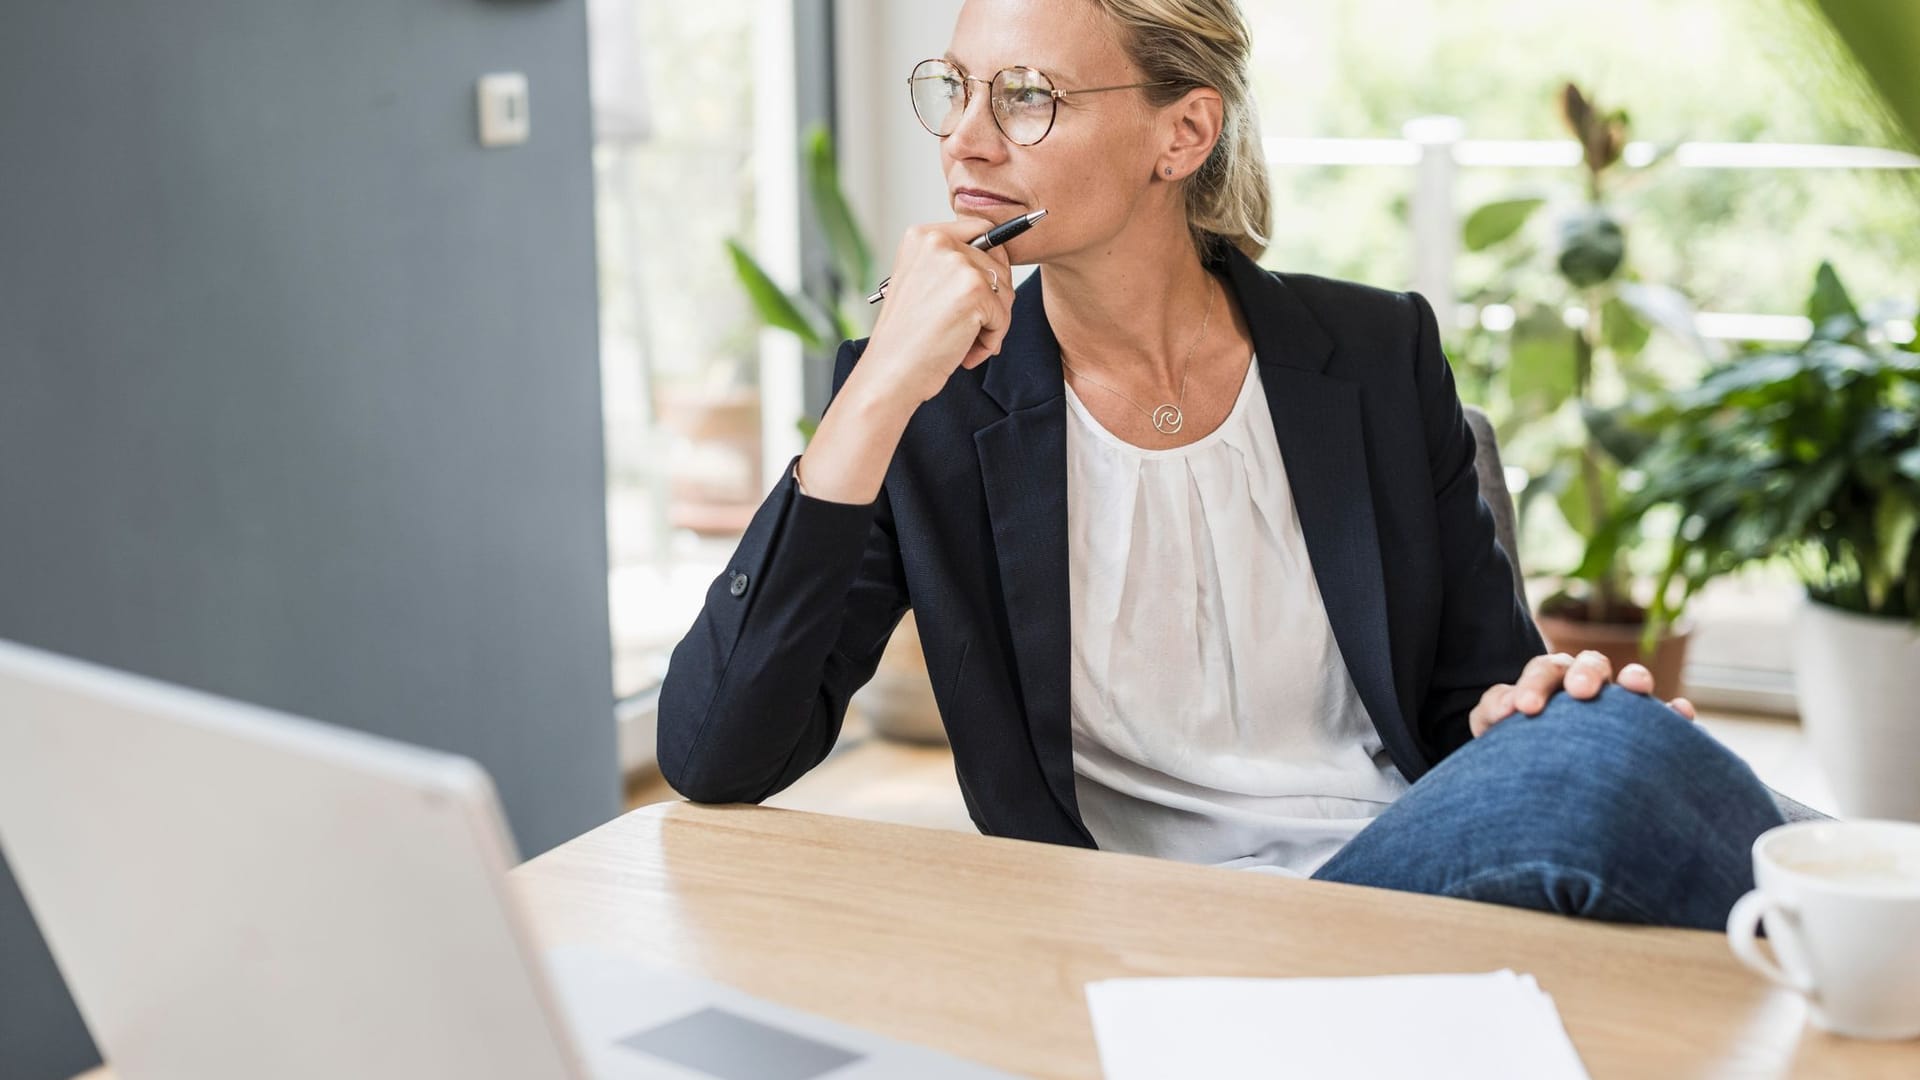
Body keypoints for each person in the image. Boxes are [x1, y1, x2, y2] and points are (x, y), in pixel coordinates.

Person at [658, 0, 1787, 931]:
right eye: (956, 86)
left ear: (1183, 134)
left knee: (1627, 758)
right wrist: (874, 394)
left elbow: (1471, 697)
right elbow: (714, 754)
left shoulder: (1379, 353)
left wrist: (1536, 707)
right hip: (1140, 922)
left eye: (1027, 97)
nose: (966, 137)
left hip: (1395, 881)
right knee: (1645, 791)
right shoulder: (930, 399)